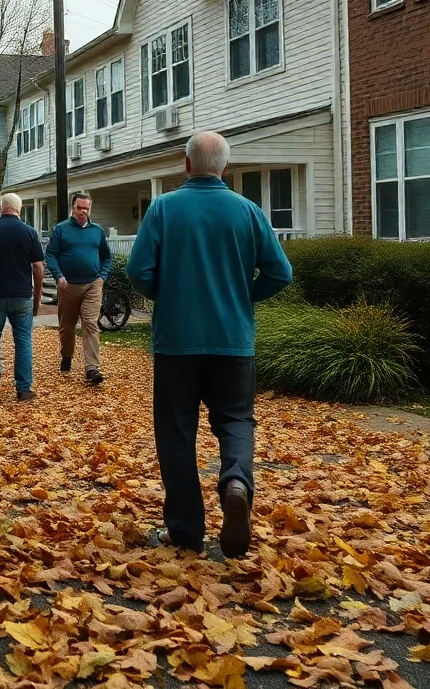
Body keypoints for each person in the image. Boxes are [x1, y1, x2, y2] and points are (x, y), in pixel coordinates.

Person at [126, 132, 292, 559]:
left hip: (177, 342)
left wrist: (169, 293)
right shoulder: (248, 211)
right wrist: (240, 294)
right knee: (236, 420)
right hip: (233, 341)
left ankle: (186, 530)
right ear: (226, 169)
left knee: (176, 433)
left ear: (186, 165)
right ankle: (236, 481)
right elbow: (280, 272)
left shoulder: (164, 208)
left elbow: (138, 270)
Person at [0, 193, 45, 403]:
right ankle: (23, 388)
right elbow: (38, 267)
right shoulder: (29, 232)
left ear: (2, 208)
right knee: (22, 340)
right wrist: (37, 297)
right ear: (19, 209)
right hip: (22, 295)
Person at [45, 191, 112, 386]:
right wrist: (58, 276)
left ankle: (92, 368)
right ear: (72, 208)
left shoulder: (97, 231)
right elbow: (51, 255)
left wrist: (102, 277)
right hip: (68, 286)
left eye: (87, 208)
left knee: (90, 324)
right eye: (80, 207)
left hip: (92, 284)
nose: (83, 211)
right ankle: (67, 355)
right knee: (67, 327)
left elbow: (107, 256)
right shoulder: (61, 229)